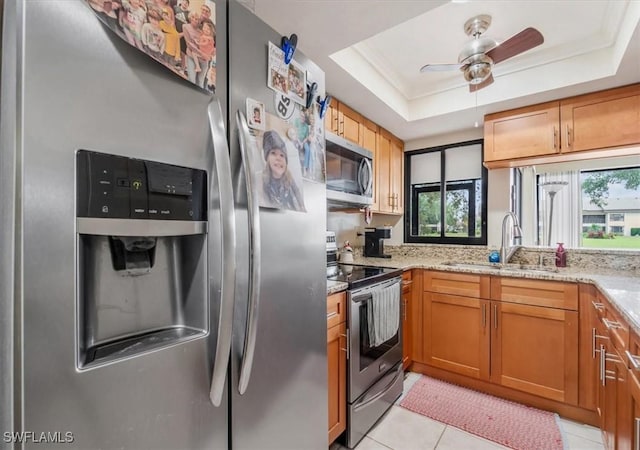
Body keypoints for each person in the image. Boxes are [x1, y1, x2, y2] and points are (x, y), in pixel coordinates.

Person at [261, 130, 305, 212]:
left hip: (291, 211)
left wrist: (302, 206)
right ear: (267, 159)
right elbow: (266, 199)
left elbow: (296, 191)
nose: (278, 158)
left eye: (282, 155)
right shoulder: (265, 179)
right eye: (273, 153)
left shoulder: (288, 177)